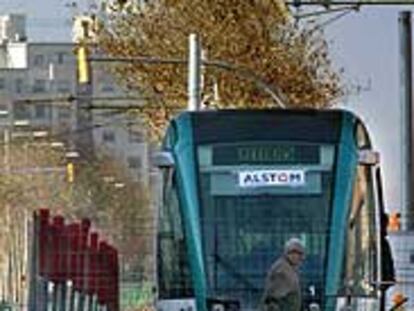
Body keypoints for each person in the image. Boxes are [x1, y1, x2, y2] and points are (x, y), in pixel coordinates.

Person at [260, 238, 306, 311]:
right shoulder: (282, 270)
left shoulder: (290, 269)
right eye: (293, 252)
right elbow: (272, 301)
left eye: (299, 253)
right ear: (287, 253)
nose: (296, 256)